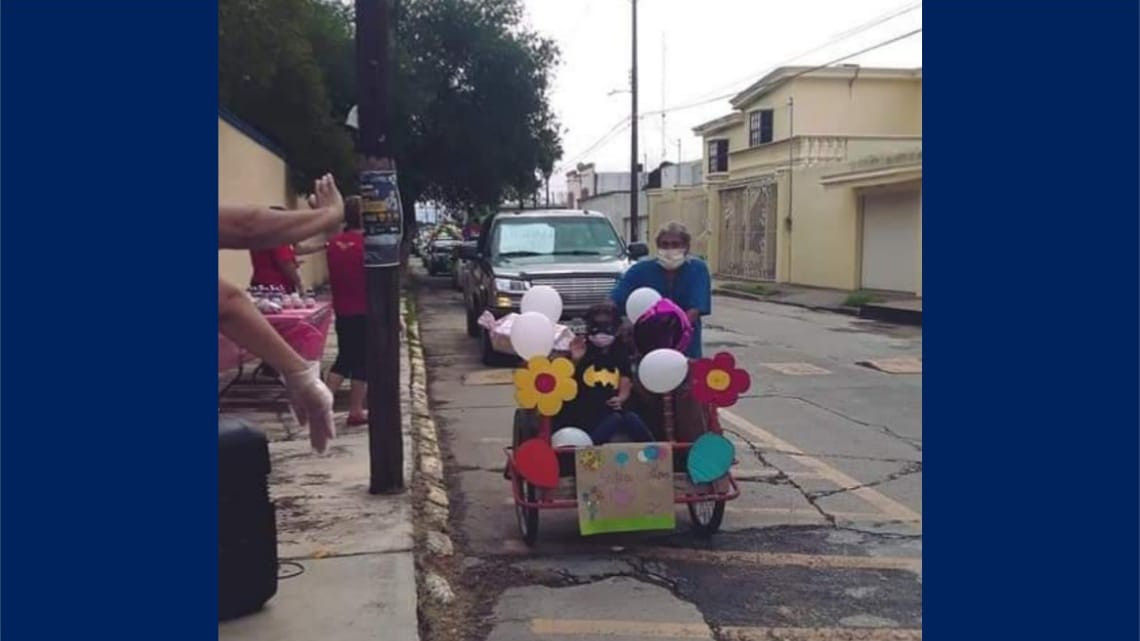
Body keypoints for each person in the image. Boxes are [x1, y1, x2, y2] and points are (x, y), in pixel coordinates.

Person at [219, 174, 345, 453]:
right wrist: (331, 214)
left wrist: (299, 373)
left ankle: (273, 367)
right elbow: (248, 226)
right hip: (275, 287)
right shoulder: (269, 239)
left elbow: (227, 302)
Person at [297, 196, 369, 426]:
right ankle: (351, 409)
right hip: (364, 309)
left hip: (343, 308)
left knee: (346, 357)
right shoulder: (367, 245)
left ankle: (324, 404)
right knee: (361, 362)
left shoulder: (334, 244)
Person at [610, 221, 711, 358]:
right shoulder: (640, 270)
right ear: (657, 246)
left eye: (675, 244)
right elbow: (616, 297)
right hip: (646, 345)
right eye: (664, 244)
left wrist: (669, 331)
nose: (669, 249)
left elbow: (695, 310)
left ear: (686, 247)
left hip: (686, 345)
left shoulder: (697, 269)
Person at [565, 303, 653, 444]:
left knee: (629, 418)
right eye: (596, 325)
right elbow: (567, 383)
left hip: (614, 409)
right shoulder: (582, 349)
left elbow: (626, 378)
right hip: (588, 412)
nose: (601, 332)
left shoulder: (620, 351)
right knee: (614, 420)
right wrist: (575, 360)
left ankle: (655, 454)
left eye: (606, 326)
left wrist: (621, 398)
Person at [249, 207, 305, 294]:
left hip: (259, 284)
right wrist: (299, 283)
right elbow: (285, 264)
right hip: (278, 286)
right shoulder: (278, 238)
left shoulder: (258, 236)